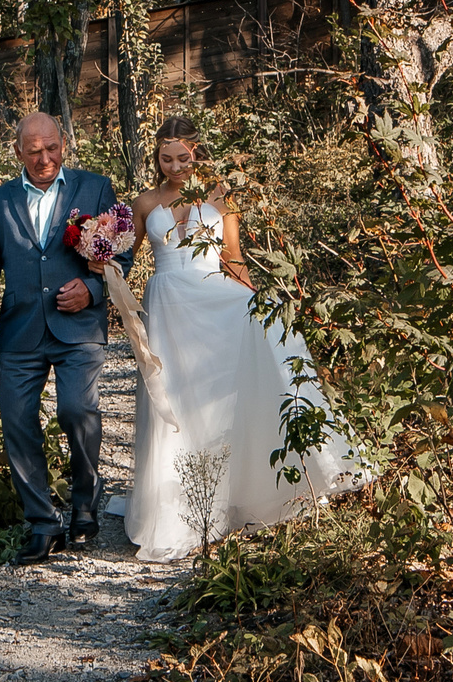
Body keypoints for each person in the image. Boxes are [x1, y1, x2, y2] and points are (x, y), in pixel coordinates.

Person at [126, 116, 360, 564]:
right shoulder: (144, 202)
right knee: (174, 399)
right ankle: (176, 514)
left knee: (219, 399)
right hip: (169, 306)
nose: (175, 166)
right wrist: (98, 255)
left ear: (197, 152)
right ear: (155, 157)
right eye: (165, 157)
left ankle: (235, 496)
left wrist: (259, 307)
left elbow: (233, 258)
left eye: (183, 157)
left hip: (217, 300)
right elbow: (126, 255)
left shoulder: (219, 197)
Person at [0, 112, 129, 565]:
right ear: (18, 152)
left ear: (64, 144)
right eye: (33, 151)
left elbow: (122, 255)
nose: (44, 159)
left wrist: (93, 289)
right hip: (18, 331)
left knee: (76, 409)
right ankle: (41, 522)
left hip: (78, 327)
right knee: (18, 425)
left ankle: (83, 500)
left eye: (51, 148)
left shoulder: (94, 188)